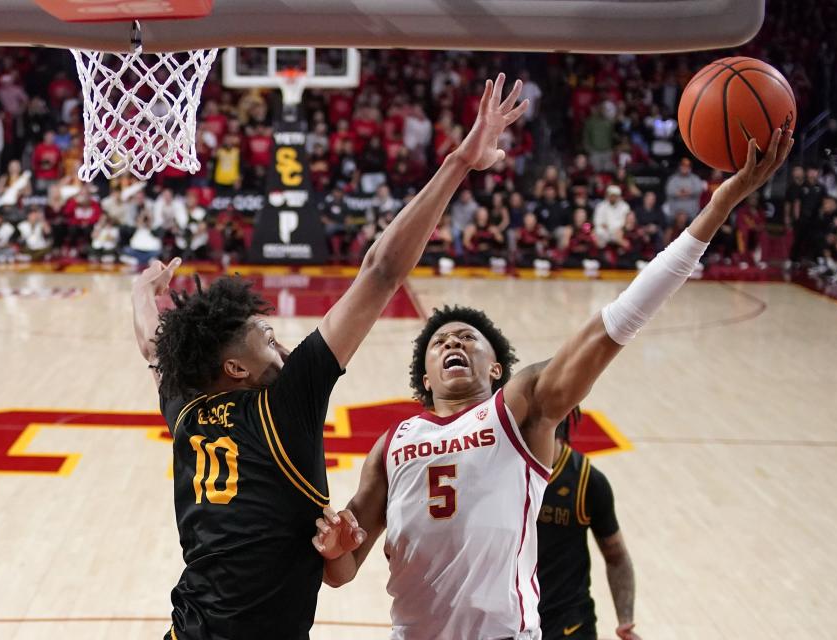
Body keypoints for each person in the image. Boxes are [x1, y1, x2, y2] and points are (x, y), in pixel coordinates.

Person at [312, 129, 793, 640]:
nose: (453, 340)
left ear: (497, 368)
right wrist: (337, 549)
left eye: (470, 338)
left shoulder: (519, 410)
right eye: (440, 340)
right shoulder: (392, 445)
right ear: (424, 377)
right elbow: (341, 574)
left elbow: (615, 323)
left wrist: (716, 208)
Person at [130, 73, 529, 640]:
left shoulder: (190, 414)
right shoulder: (284, 403)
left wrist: (139, 296)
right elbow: (382, 271)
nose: (285, 346)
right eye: (266, 339)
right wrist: (459, 163)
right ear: (237, 370)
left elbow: (154, 348)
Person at [537, 408, 639, 640]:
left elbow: (616, 556)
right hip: (513, 620)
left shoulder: (587, 481)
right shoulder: (507, 472)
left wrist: (625, 621)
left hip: (570, 624)